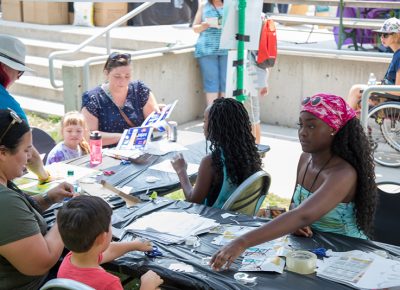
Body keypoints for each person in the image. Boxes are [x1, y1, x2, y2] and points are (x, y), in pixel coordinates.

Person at [210, 94, 377, 270]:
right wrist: (296, 226)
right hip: (311, 248)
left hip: (346, 253)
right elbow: (295, 210)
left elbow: (303, 214)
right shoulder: (305, 159)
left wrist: (242, 242)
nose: (302, 132)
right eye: (301, 125)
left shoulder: (343, 173)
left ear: (334, 129)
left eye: (311, 125)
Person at [0, 109, 75, 289]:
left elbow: (19, 218)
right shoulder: (4, 202)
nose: (30, 157)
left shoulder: (6, 188)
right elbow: (41, 263)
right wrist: (65, 218)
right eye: (26, 150)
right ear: (2, 152)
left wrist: (48, 198)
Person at [57, 195, 163, 290]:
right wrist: (147, 286)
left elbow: (109, 251)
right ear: (102, 237)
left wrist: (134, 245)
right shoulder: (108, 284)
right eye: (110, 226)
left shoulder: (70, 260)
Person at [171, 98, 262, 208]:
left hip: (215, 221)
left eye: (205, 121)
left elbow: (193, 200)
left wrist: (181, 170)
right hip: (240, 219)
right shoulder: (249, 154)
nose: (203, 125)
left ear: (217, 126)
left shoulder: (211, 162)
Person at [81, 52, 160, 146]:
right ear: (106, 73)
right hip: (109, 156)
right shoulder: (93, 98)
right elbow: (89, 136)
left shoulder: (140, 89)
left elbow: (153, 126)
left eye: (127, 76)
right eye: (117, 76)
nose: (122, 81)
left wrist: (159, 115)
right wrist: (125, 136)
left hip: (143, 150)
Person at [0, 34, 50, 182]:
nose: (18, 77)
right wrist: (44, 176)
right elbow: (27, 150)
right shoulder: (8, 104)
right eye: (19, 71)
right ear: (3, 68)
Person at [346, 17, 400, 112]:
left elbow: (398, 89)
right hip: (388, 95)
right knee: (358, 105)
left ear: (397, 36)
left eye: (385, 35)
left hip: (392, 98)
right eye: (380, 34)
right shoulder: (397, 54)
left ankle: (344, 123)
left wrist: (377, 87)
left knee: (355, 90)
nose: (381, 37)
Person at [193, 0, 228, 105]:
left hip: (226, 49)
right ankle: (212, 114)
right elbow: (195, 28)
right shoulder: (204, 5)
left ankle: (224, 114)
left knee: (226, 83)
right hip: (206, 49)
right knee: (211, 83)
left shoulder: (230, 5)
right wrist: (203, 26)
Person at [245, 51, 270, 144]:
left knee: (252, 117)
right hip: (255, 75)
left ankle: (255, 148)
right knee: (253, 116)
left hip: (249, 75)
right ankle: (255, 148)